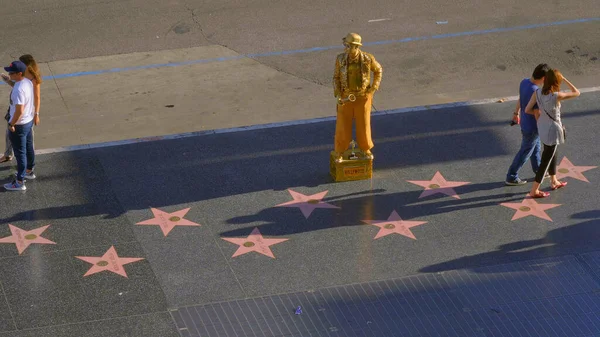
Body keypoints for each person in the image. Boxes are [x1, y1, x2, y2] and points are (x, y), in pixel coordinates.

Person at [525, 69, 579, 198]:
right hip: (553, 130)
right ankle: (534, 190)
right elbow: (577, 92)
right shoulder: (556, 96)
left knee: (551, 153)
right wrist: (564, 79)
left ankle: (554, 180)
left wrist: (540, 114)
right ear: (556, 82)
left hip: (542, 128)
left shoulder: (537, 93)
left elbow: (528, 110)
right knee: (546, 160)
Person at [333, 33, 382, 162]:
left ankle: (366, 148)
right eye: (345, 46)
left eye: (348, 46)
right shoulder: (340, 59)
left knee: (364, 124)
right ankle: (340, 150)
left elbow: (378, 71)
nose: (346, 49)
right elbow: (336, 78)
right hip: (346, 97)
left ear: (356, 47)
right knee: (343, 125)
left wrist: (373, 89)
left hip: (362, 96)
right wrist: (337, 93)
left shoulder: (367, 58)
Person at [505, 64, 549, 185]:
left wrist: (516, 113)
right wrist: (544, 128)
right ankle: (512, 176)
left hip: (525, 123)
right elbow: (536, 113)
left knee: (535, 148)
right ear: (544, 78)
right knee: (525, 152)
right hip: (533, 127)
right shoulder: (536, 91)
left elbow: (520, 99)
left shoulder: (524, 82)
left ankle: (539, 170)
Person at [1, 54, 42, 163]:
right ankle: (8, 154)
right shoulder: (23, 77)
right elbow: (18, 88)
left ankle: (28, 163)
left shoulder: (33, 80)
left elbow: (37, 98)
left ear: (27, 66)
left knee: (28, 139)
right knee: (8, 133)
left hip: (26, 114)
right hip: (15, 108)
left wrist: (36, 114)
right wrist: (8, 80)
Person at [3, 61, 35, 191]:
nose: (9, 74)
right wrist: (8, 80)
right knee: (28, 147)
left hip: (19, 125)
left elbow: (19, 111)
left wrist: (11, 123)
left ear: (19, 73)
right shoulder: (26, 82)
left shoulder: (19, 90)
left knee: (20, 153)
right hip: (28, 121)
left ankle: (20, 182)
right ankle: (29, 171)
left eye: (11, 72)